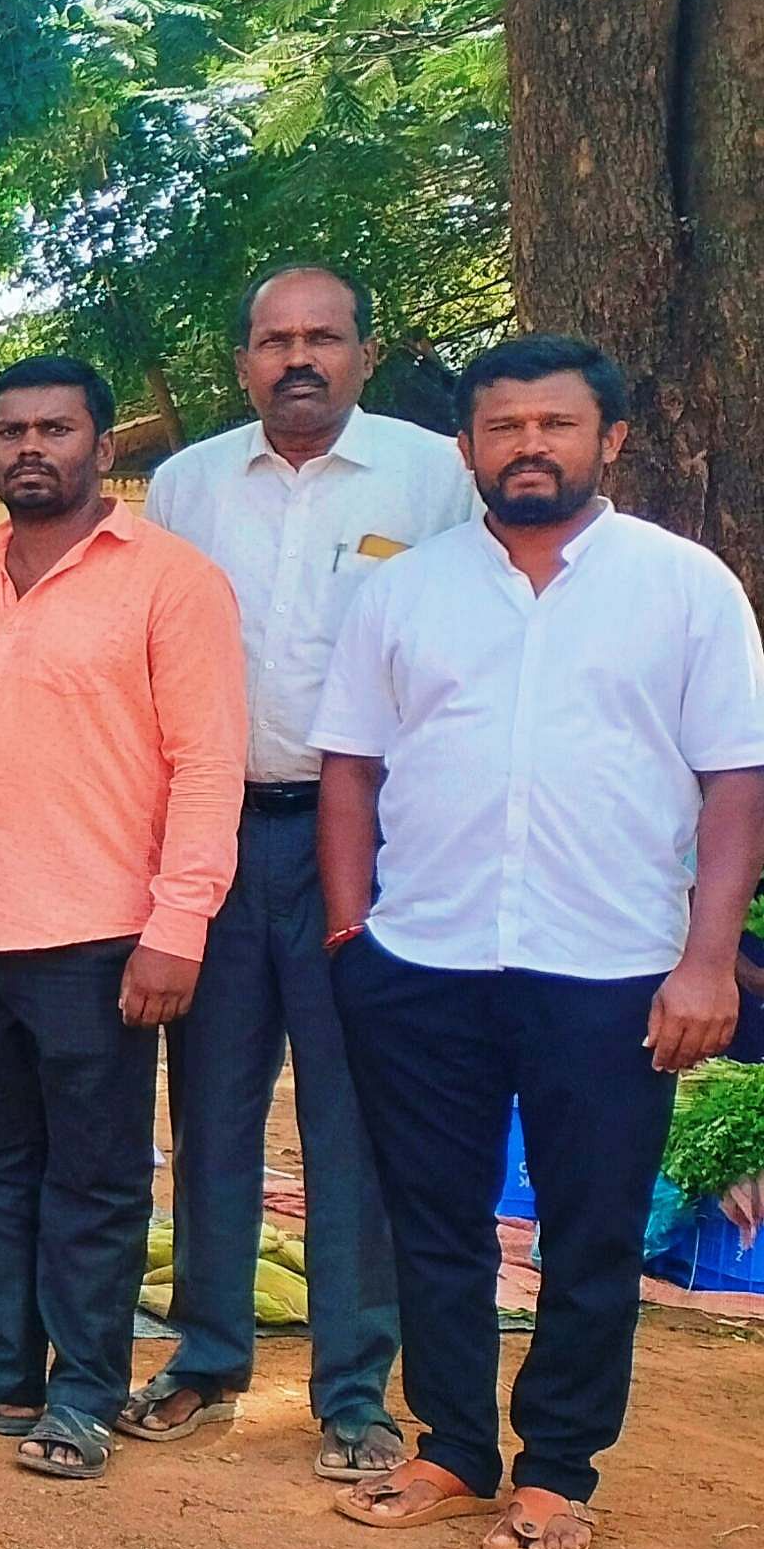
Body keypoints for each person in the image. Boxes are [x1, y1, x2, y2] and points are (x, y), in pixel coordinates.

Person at [315, 335, 764, 1549]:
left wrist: (707, 961)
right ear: (466, 446)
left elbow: (735, 783)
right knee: (435, 1221)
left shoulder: (683, 587)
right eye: (502, 427)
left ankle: (558, 1470)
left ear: (607, 439)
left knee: (592, 1228)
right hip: (422, 961)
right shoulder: (403, 591)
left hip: (611, 967)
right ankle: (454, 1446)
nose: (527, 446)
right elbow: (349, 765)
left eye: (554, 424)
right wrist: (353, 931)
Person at [0, 356, 245, 1483]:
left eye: (55, 429)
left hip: (95, 938)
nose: (29, 447)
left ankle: (84, 1391)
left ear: (103, 447)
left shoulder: (172, 583)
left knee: (93, 1175)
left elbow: (207, 763)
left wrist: (178, 926)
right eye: (9, 429)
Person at [127, 265, 463, 1468]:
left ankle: (354, 1388)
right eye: (274, 341)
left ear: (364, 353)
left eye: (322, 337)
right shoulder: (186, 484)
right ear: (243, 362)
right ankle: (206, 1352)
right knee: (209, 1104)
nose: (298, 359)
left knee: (350, 1111)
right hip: (214, 837)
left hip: (366, 847)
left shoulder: (432, 477)